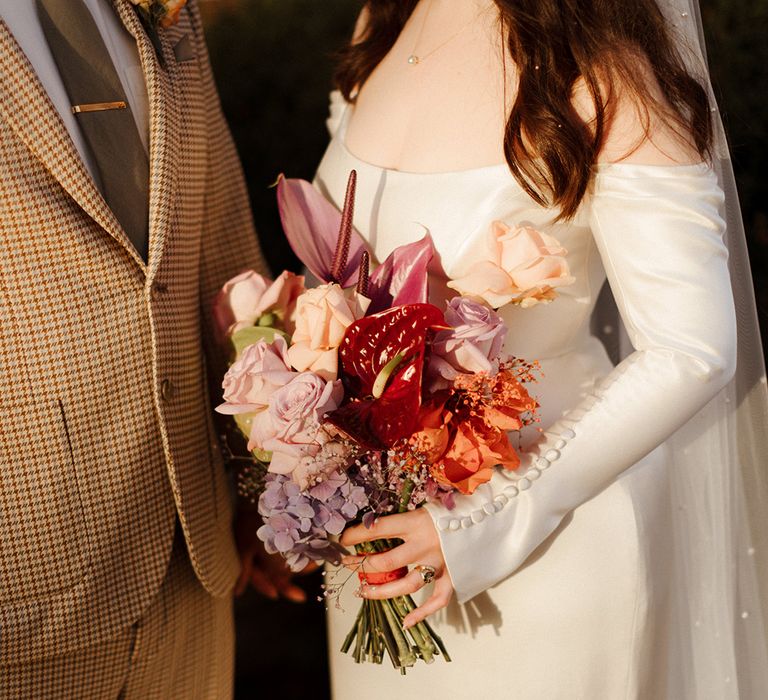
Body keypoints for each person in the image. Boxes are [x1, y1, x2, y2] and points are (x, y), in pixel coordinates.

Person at [314, 0, 768, 696]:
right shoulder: (384, 19)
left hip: (548, 545)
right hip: (380, 551)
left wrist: (490, 518)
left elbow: (692, 348)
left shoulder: (606, 67)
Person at [0, 1, 299, 697]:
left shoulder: (167, 11)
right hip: (23, 578)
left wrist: (266, 478)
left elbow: (219, 233)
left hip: (192, 563)